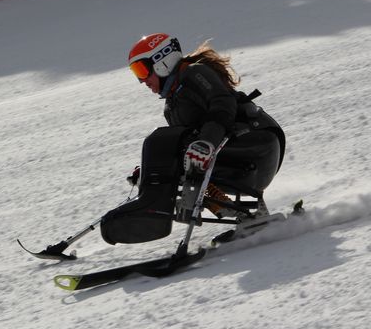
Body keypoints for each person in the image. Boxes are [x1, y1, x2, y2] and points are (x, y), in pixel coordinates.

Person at [100, 33, 285, 245]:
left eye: (142, 70)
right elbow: (179, 148)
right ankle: (247, 218)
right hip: (239, 163)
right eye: (136, 73)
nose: (142, 81)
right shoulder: (172, 105)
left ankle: (154, 214)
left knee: (165, 144)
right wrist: (152, 171)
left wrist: (207, 142)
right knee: (173, 156)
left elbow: (222, 103)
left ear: (162, 61)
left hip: (257, 144)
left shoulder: (194, 73)